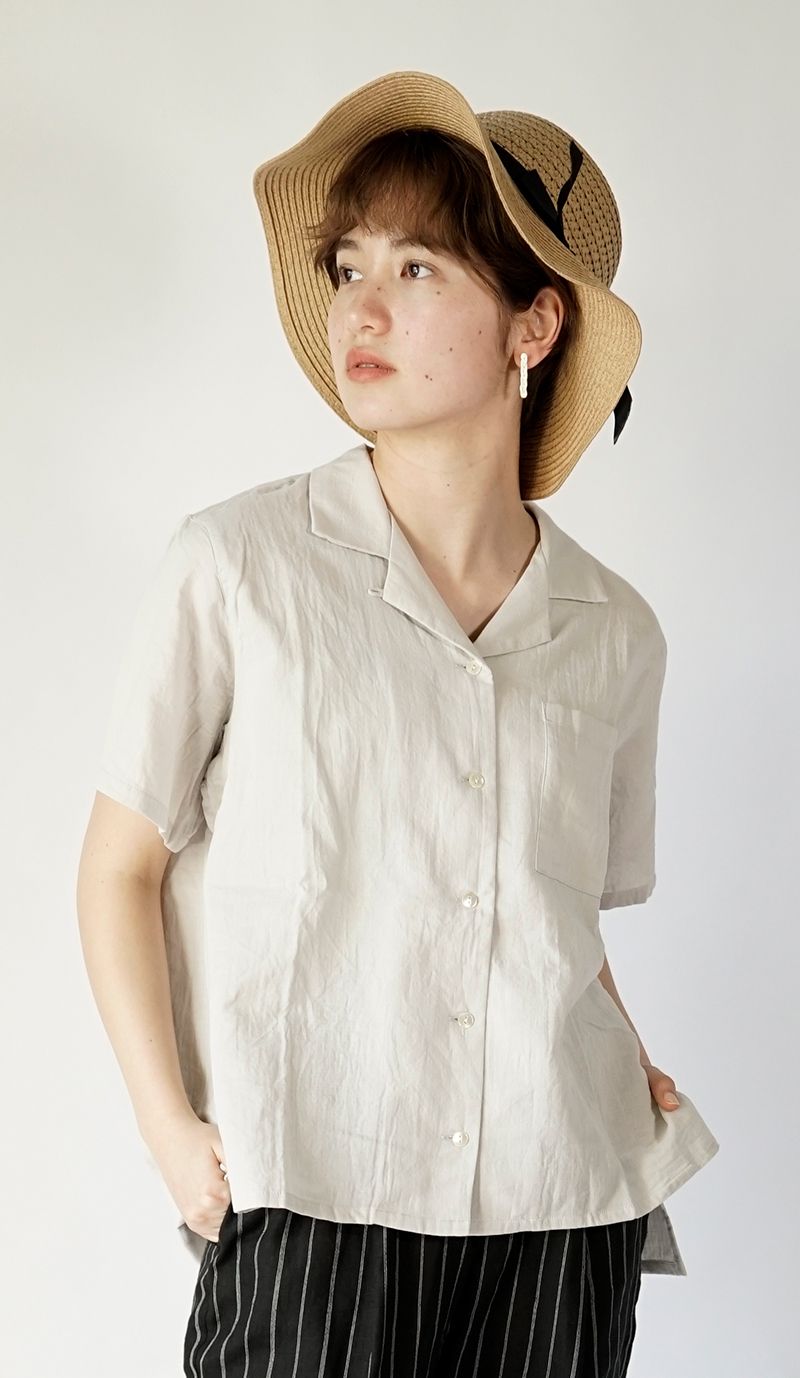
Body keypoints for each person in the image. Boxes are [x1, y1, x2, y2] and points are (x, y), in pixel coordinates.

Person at [76, 70, 720, 1377]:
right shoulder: (240, 566)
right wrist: (172, 1135)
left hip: (560, 1201)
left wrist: (634, 1061)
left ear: (534, 325)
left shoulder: (615, 630)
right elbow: (117, 869)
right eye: (350, 264)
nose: (359, 309)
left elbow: (553, 915)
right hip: (311, 1188)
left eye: (417, 268)